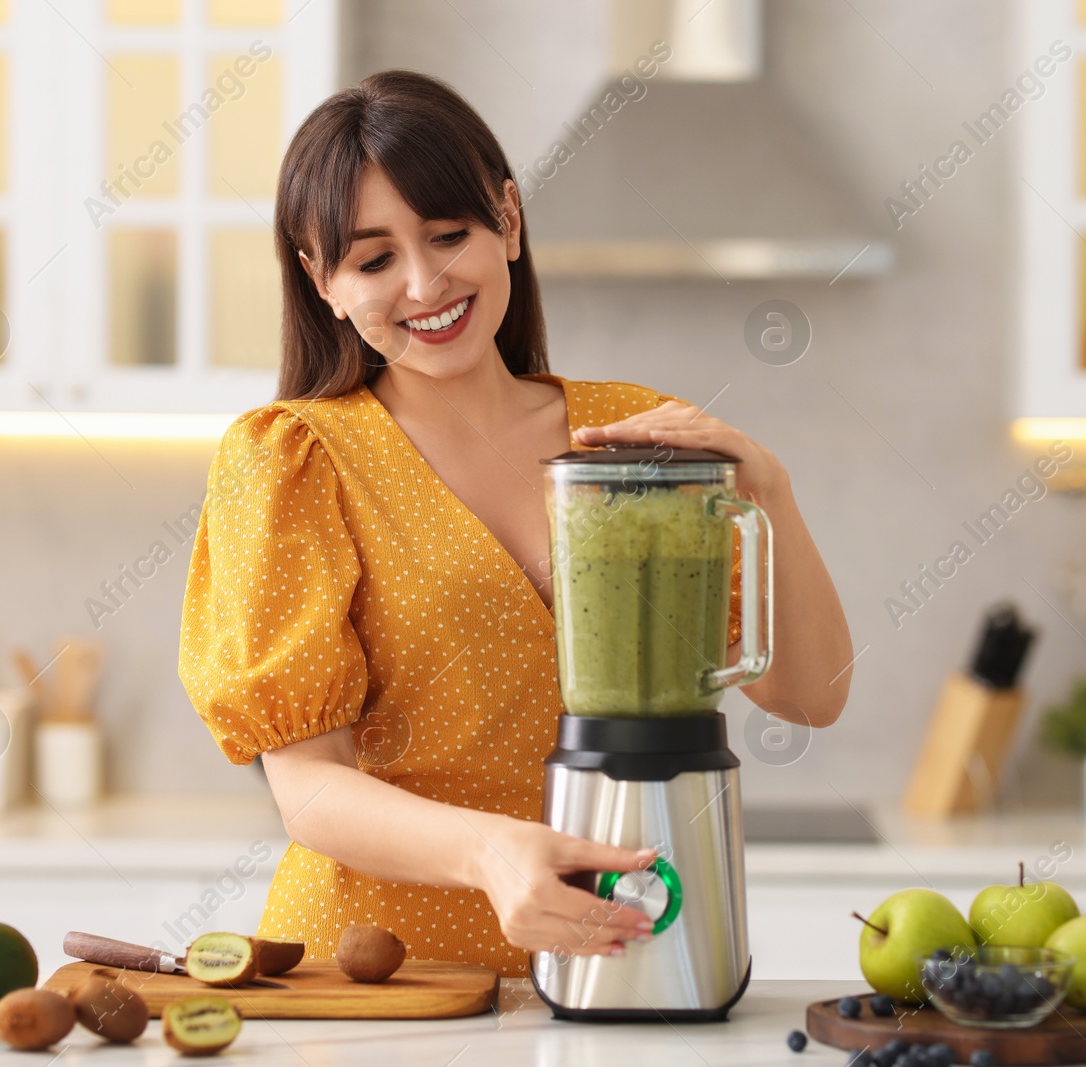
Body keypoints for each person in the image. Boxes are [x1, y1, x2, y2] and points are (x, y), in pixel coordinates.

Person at [179, 69, 853, 978]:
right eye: (374, 259)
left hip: (623, 955)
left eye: (449, 235)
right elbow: (308, 789)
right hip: (384, 980)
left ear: (509, 219)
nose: (424, 283)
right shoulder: (295, 459)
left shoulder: (632, 436)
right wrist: (494, 852)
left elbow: (810, 696)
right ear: (322, 281)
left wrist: (769, 487)